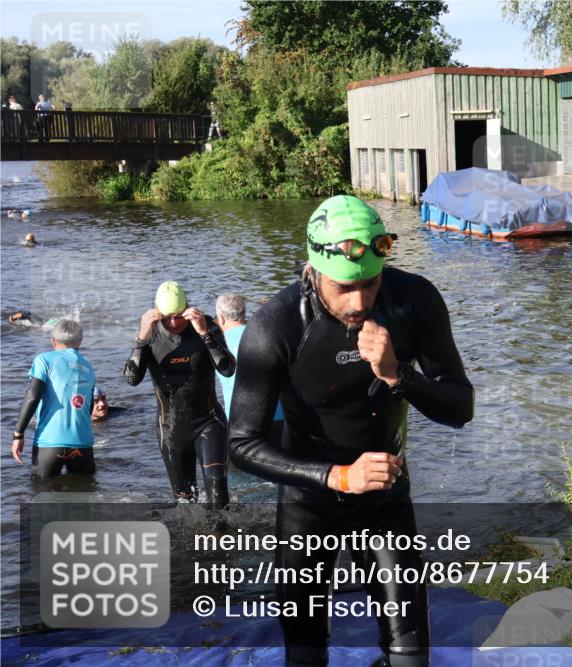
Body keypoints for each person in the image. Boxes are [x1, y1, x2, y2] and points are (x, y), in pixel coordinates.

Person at [229, 195, 474, 667]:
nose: (360, 301)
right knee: (305, 657)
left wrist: (397, 375)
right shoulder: (276, 325)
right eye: (344, 287)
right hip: (309, 505)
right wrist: (338, 477)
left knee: (410, 658)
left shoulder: (413, 301)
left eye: (371, 283)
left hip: (384, 501)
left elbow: (460, 408)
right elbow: (242, 445)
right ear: (313, 267)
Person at [123, 281, 236, 508]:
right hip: (171, 429)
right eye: (168, 318)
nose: (174, 323)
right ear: (157, 314)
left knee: (218, 496)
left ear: (187, 308)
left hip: (209, 422)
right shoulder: (151, 332)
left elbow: (228, 368)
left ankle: (220, 540)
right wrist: (141, 340)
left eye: (178, 316)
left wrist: (204, 333)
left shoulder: (204, 325)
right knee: (185, 504)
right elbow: (131, 379)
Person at [12, 320, 97, 479]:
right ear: (80, 341)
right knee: (85, 498)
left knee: (42, 496)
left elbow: (33, 396)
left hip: (49, 442)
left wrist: (18, 434)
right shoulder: (88, 367)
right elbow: (89, 408)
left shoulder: (43, 360)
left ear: (53, 340)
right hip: (82, 443)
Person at [214, 293, 284, 442]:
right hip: (278, 417)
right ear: (243, 315)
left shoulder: (216, 345)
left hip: (241, 423)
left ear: (220, 318)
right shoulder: (266, 334)